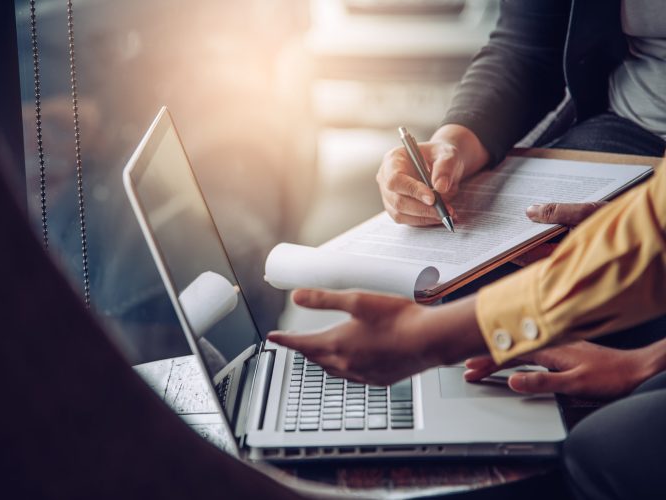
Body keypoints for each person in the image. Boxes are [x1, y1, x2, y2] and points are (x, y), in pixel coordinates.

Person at [271, 1, 666, 499]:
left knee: (606, 451)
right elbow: (527, 44)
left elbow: (654, 230)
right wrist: (453, 144)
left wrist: (647, 362)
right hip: (628, 129)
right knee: (464, 273)